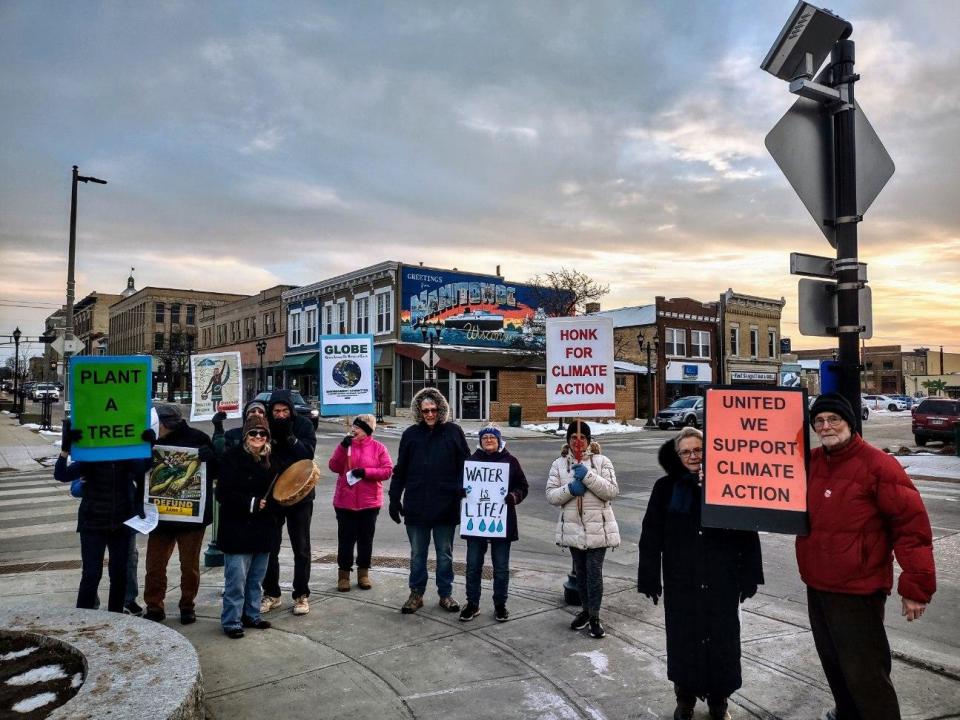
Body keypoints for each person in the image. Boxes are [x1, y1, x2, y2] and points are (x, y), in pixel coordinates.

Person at [798, 393, 936, 720]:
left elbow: (912, 529)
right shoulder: (811, 463)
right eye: (819, 421)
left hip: (859, 589)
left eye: (833, 419)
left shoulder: (878, 465)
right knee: (832, 661)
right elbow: (761, 482)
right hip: (817, 583)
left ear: (850, 422)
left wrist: (916, 588)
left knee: (866, 671)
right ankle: (846, 713)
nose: (826, 426)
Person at [637, 427, 764, 720]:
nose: (693, 456)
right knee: (684, 640)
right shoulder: (665, 488)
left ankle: (720, 699)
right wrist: (649, 577)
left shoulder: (727, 483)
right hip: (683, 579)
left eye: (698, 450)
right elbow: (651, 534)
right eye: (686, 452)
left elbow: (747, 530)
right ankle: (685, 699)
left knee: (723, 639)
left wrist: (750, 574)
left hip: (722, 578)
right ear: (677, 456)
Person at [388, 387, 470, 614]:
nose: (430, 414)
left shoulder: (454, 432)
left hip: (446, 505)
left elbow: (467, 465)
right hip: (416, 505)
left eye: (434, 409)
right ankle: (416, 593)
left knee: (444, 554)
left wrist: (464, 489)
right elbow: (400, 469)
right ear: (419, 412)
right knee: (417, 554)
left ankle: (445, 594)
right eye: (425, 411)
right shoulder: (411, 435)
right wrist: (394, 498)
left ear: (441, 409)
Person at [54, 419, 146, 613]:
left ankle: (115, 616)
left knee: (119, 573)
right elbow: (61, 475)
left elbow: (142, 468)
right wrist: (65, 450)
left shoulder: (126, 459)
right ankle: (84, 616)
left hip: (120, 523)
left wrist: (148, 446)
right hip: (93, 523)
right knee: (91, 574)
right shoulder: (90, 459)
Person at [545, 420, 620, 639]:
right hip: (573, 529)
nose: (578, 442)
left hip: (599, 528)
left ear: (589, 441)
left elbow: (611, 491)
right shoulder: (559, 465)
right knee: (582, 573)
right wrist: (570, 488)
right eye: (573, 438)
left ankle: (595, 616)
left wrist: (587, 476)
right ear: (568, 441)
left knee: (594, 572)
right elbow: (551, 495)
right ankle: (586, 611)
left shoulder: (602, 461)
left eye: (582, 438)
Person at [143, 403, 216, 625]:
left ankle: (187, 606)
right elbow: (139, 471)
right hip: (160, 516)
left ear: (165, 424)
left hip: (191, 518)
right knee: (154, 565)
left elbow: (213, 474)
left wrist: (211, 456)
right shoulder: (150, 440)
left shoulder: (198, 438)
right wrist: (144, 450)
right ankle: (154, 606)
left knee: (189, 566)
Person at [216, 414, 281, 639]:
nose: (258, 437)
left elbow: (279, 493)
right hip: (237, 529)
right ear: (245, 436)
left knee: (255, 579)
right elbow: (222, 493)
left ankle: (251, 614)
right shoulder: (231, 458)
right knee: (236, 580)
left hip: (263, 530)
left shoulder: (272, 461)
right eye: (253, 433)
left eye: (263, 433)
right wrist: (251, 502)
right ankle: (231, 620)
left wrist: (271, 506)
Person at [459, 424, 528, 623]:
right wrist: (463, 491)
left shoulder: (510, 461)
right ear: (480, 441)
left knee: (501, 567)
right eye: (485, 437)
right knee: (473, 565)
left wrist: (514, 496)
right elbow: (460, 484)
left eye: (492, 437)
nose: (488, 440)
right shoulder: (472, 461)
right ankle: (472, 604)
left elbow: (523, 486)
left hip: (501, 521)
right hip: (476, 520)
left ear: (499, 440)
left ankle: (500, 605)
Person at [260, 389, 318, 616]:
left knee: (301, 547)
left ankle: (301, 594)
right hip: (273, 494)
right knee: (270, 546)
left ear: (291, 411)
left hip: (300, 495)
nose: (281, 415)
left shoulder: (302, 425)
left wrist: (290, 438)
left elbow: (308, 454)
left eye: (285, 411)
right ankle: (271, 593)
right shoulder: (266, 426)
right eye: (276, 411)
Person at [327, 414, 394, 591]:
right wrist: (342, 448)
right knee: (346, 540)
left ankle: (363, 573)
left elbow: (387, 471)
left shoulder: (378, 448)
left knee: (365, 540)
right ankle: (343, 575)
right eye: (354, 427)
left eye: (358, 427)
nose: (353, 430)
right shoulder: (346, 445)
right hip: (344, 502)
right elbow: (334, 466)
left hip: (369, 502)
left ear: (367, 430)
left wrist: (365, 472)